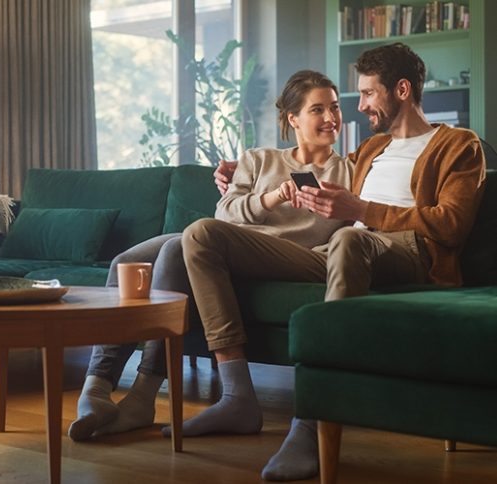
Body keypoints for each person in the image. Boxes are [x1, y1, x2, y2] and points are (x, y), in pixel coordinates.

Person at [180, 42, 486, 482]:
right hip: (339, 252)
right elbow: (324, 167)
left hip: (409, 252)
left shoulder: (458, 145)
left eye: (367, 94)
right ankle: (237, 395)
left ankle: (310, 420)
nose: (357, 107)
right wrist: (231, 171)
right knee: (201, 234)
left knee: (348, 239)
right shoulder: (370, 150)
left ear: (402, 89)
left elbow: (451, 224)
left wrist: (361, 212)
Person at [68, 69, 354, 441]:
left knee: (177, 248)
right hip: (229, 238)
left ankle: (142, 395)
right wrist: (273, 197)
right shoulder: (258, 159)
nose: (331, 118)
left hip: (278, 253)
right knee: (126, 262)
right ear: (293, 118)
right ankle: (97, 388)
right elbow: (226, 211)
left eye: (334, 107)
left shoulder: (349, 171)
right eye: (318, 109)